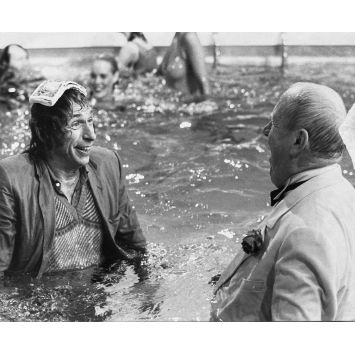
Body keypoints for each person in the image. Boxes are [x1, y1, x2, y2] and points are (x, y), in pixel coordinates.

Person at [210, 82, 355, 321]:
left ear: (299, 141)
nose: (266, 131)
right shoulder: (342, 193)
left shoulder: (307, 234)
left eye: (275, 124)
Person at [0, 80, 147, 278]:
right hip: (39, 301)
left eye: (91, 120)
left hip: (99, 297)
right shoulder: (11, 178)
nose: (91, 135)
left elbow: (137, 249)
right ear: (45, 132)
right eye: (76, 123)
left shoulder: (108, 165)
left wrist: (148, 295)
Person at [158, 32, 210, 101]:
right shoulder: (176, 38)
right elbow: (159, 74)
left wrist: (207, 104)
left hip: (189, 107)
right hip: (174, 105)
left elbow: (204, 84)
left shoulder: (189, 37)